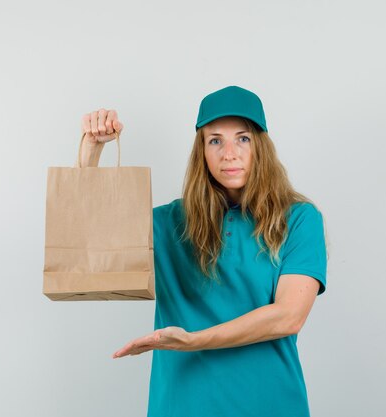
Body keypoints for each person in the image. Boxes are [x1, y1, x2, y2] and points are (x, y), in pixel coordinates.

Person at [79, 85, 328, 417]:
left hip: (270, 403)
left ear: (262, 147)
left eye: (243, 138)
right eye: (215, 140)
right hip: (183, 405)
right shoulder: (169, 223)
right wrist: (91, 150)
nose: (229, 153)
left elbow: (288, 315)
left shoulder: (298, 219)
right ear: (202, 151)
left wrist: (192, 341)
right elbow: (86, 237)